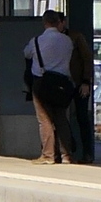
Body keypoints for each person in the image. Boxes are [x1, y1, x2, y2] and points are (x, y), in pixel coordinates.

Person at [22, 9, 76, 164]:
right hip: (62, 84)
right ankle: (66, 155)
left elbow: (26, 54)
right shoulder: (67, 41)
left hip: (42, 83)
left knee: (44, 120)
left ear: (44, 23)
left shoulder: (36, 41)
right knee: (61, 119)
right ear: (58, 22)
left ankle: (48, 155)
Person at [58, 12, 95, 164]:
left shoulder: (75, 37)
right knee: (59, 116)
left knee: (82, 117)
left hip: (79, 83)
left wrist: (86, 81)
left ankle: (87, 152)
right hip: (63, 82)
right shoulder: (57, 39)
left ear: (63, 22)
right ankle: (68, 147)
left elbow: (87, 58)